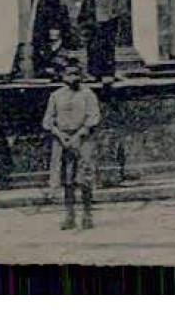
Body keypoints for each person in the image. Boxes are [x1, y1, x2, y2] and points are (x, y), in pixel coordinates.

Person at [42, 55, 101, 231]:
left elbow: (94, 117)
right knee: (67, 180)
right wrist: (60, 135)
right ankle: (69, 215)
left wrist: (79, 134)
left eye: (76, 74)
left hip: (83, 140)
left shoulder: (87, 94)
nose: (73, 78)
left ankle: (87, 214)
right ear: (62, 76)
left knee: (84, 179)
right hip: (62, 142)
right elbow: (47, 121)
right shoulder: (56, 96)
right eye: (69, 74)